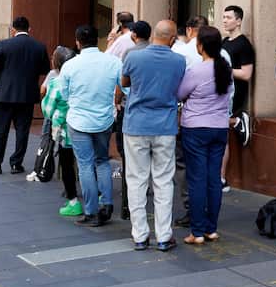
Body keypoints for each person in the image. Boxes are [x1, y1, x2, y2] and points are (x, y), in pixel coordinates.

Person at [118, 20, 186, 250]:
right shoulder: (179, 61)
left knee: (136, 180)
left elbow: (124, 82)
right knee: (164, 180)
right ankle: (164, 235)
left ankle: (139, 235)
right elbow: (178, 89)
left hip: (136, 124)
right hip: (165, 126)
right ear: (172, 38)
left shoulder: (133, 56)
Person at [59, 23, 123, 226]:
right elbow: (124, 87)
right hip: (104, 119)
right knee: (102, 161)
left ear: (78, 42)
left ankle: (91, 210)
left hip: (78, 120)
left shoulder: (70, 65)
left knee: (85, 165)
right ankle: (107, 203)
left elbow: (64, 94)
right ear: (98, 40)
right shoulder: (113, 62)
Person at [177, 25, 233, 244]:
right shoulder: (225, 69)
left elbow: (180, 94)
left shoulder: (196, 70)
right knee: (213, 179)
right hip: (219, 128)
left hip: (196, 128)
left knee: (197, 179)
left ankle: (197, 232)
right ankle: (211, 229)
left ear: (200, 45)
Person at [0, 16, 51, 174]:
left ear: (13, 29)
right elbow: (45, 69)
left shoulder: (4, 45)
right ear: (29, 29)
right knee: (22, 131)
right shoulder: (39, 46)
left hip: (3, 94)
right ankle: (16, 163)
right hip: (26, 95)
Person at [42, 45, 80, 217]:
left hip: (65, 130)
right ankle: (100, 198)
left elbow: (48, 110)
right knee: (90, 164)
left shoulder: (56, 82)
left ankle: (73, 201)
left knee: (67, 165)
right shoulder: (82, 78)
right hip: (87, 126)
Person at [221, 5, 256, 184]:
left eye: (228, 17)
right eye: (224, 17)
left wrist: (225, 69)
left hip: (234, 96)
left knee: (219, 126)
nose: (225, 20)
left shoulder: (244, 44)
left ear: (239, 20)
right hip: (221, 93)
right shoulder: (224, 42)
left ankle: (221, 178)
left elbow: (246, 74)